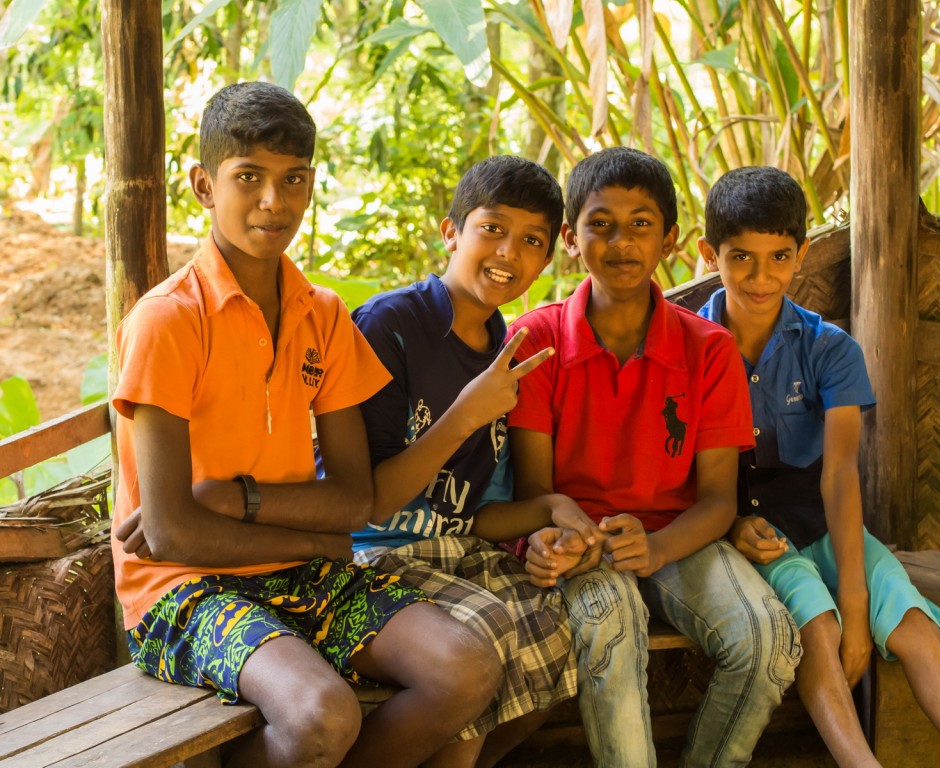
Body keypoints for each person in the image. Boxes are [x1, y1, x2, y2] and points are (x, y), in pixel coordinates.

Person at [110, 81, 500, 768]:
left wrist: (238, 500)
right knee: (323, 715)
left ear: (311, 184)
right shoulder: (169, 320)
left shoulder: (321, 313)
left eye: (292, 180)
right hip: (183, 592)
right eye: (248, 178)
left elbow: (353, 498)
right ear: (203, 184)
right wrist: (317, 539)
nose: (273, 201)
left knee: (466, 671)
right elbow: (169, 533)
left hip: (301, 570)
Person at [696, 165, 940, 768]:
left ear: (802, 253)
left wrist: (860, 606)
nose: (762, 277)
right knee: (818, 628)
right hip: (750, 529)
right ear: (710, 254)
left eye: (779, 256)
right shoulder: (689, 345)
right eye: (741, 258)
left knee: (913, 625)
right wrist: (731, 526)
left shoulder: (829, 347)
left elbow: (838, 474)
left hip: (828, 517)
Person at [508, 146, 801, 768]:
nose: (621, 242)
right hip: (580, 544)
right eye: (601, 223)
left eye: (641, 224)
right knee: (610, 630)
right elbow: (532, 492)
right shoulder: (535, 339)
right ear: (570, 237)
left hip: (681, 536)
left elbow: (720, 498)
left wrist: (659, 547)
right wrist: (563, 538)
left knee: (770, 639)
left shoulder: (709, 350)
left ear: (670, 239)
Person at [349, 154, 592, 768]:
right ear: (452, 231)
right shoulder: (392, 324)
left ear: (547, 260)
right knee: (490, 629)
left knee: (568, 627)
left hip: (455, 553)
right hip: (368, 553)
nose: (509, 252)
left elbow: (475, 518)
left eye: (531, 240)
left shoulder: (507, 351)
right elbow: (371, 500)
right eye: (493, 229)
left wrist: (555, 510)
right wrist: (467, 411)